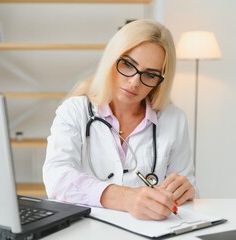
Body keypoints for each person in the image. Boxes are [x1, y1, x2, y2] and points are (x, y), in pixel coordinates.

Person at [43, 19, 197, 220]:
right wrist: (126, 198)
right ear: (111, 59)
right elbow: (57, 179)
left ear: (160, 81)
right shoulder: (75, 110)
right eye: (127, 64)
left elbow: (188, 196)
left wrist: (186, 192)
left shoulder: (174, 119)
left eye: (150, 75)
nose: (134, 82)